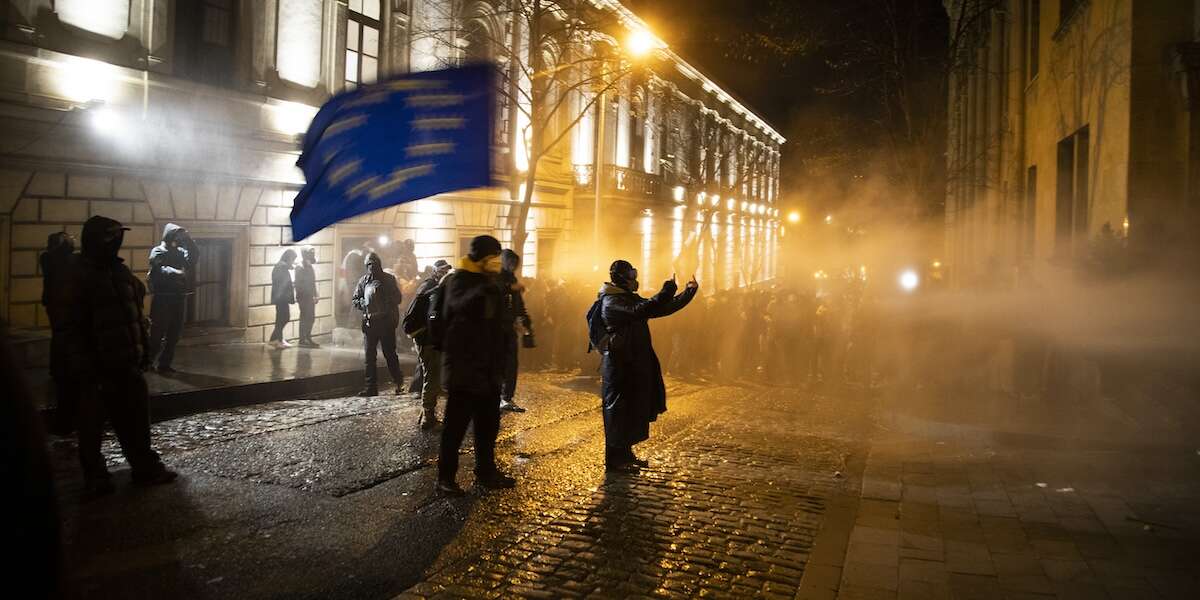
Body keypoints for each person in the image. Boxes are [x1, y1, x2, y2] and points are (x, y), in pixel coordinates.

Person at [64, 216, 177, 498]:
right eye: (112, 237)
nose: (117, 242)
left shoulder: (119, 272)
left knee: (136, 420)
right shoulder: (78, 275)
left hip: (128, 364)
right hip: (97, 369)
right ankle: (96, 478)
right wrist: (85, 367)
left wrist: (144, 353)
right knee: (91, 428)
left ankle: (144, 468)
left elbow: (136, 317)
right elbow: (70, 327)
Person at [589, 260, 698, 472]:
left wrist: (688, 293)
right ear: (622, 277)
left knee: (631, 408)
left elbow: (660, 309)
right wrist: (668, 288)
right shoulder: (611, 300)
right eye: (631, 273)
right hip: (619, 363)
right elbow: (643, 309)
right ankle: (615, 460)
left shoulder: (626, 298)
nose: (634, 278)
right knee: (617, 411)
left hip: (633, 360)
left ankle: (626, 454)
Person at [432, 235, 516, 495]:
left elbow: (498, 325)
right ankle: (445, 478)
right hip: (464, 369)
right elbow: (457, 307)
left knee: (487, 425)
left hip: (489, 369)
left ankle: (486, 471)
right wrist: (484, 289)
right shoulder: (458, 279)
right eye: (493, 258)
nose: (496, 263)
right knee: (455, 428)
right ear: (481, 259)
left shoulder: (492, 282)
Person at [404, 259, 452, 429]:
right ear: (436, 271)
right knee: (432, 376)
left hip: (428, 338)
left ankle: (426, 412)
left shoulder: (434, 288)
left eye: (447, 271)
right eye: (442, 270)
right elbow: (433, 318)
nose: (444, 273)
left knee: (431, 375)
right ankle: (428, 417)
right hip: (427, 339)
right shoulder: (432, 289)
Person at [40, 231, 78, 435]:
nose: (73, 239)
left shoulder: (60, 258)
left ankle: (58, 367)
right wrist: (65, 243)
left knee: (60, 337)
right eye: (68, 237)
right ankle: (60, 367)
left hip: (61, 304)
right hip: (57, 304)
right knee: (61, 337)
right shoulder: (49, 257)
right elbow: (62, 257)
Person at [352, 252, 404, 396]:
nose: (372, 267)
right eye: (369, 264)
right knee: (369, 357)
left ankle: (399, 381)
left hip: (385, 323)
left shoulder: (388, 279)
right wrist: (364, 303)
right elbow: (355, 299)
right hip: (370, 323)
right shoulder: (363, 281)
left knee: (390, 354)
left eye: (374, 264)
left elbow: (398, 298)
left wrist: (385, 298)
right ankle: (371, 387)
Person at [147, 223, 197, 372]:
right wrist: (175, 272)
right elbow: (158, 269)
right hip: (163, 298)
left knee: (174, 333)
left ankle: (165, 363)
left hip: (178, 297)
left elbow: (193, 258)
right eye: (175, 235)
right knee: (157, 333)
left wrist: (188, 240)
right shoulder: (158, 251)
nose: (177, 238)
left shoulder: (180, 251)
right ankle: (148, 362)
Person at [498, 249, 533, 413]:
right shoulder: (497, 277)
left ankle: (506, 397)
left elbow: (519, 304)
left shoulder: (511, 279)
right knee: (501, 364)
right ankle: (500, 397)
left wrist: (525, 322)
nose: (514, 267)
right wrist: (509, 287)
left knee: (511, 364)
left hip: (509, 328)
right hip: (497, 329)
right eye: (511, 263)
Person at [269, 249, 296, 348]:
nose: (293, 262)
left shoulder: (281, 266)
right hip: (281, 298)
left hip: (280, 297)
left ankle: (275, 339)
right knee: (283, 318)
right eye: (292, 259)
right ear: (289, 258)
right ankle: (277, 340)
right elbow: (283, 283)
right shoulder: (282, 266)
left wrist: (289, 267)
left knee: (282, 318)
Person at [295, 245, 320, 348]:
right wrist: (308, 294)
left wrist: (315, 294)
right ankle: (302, 339)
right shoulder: (299, 267)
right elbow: (299, 284)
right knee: (305, 317)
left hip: (310, 297)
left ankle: (308, 337)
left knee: (311, 317)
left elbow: (312, 282)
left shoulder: (309, 267)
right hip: (303, 297)